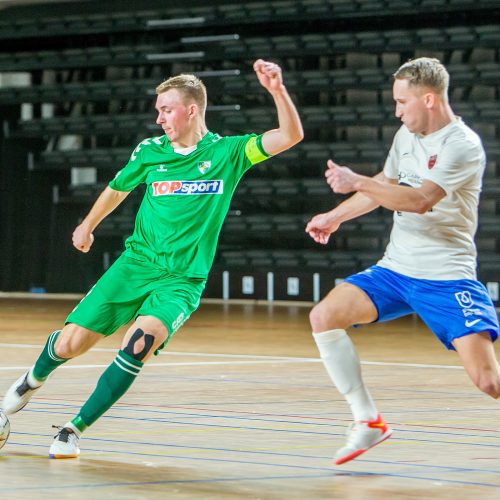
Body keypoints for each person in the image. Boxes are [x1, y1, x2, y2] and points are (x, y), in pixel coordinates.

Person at [2, 59, 303, 458]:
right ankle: (28, 382)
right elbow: (117, 188)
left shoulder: (230, 153)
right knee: (72, 342)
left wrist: (277, 90)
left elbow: (290, 135)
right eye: (158, 110)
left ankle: (73, 430)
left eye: (166, 109)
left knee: (138, 343)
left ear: (191, 109)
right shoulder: (150, 151)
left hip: (181, 280)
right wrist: (87, 224)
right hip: (135, 266)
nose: (158, 117)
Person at [305, 57, 500, 466]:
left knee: (488, 381)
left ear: (428, 99)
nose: (396, 111)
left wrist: (356, 180)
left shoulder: (461, 145)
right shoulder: (405, 136)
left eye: (401, 102)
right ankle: (368, 422)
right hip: (395, 270)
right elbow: (387, 185)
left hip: (446, 277)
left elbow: (419, 200)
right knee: (324, 317)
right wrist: (334, 215)